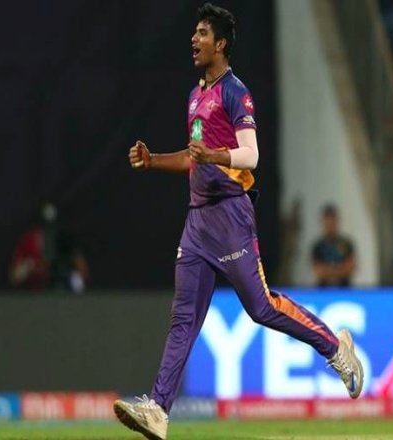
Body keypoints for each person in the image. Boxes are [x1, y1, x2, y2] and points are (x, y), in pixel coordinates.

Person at [112, 4, 364, 440]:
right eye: (194, 33)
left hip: (230, 214)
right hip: (198, 221)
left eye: (202, 33)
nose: (193, 40)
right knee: (183, 318)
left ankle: (336, 349)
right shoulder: (196, 96)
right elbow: (194, 159)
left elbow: (251, 155)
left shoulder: (235, 92)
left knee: (261, 307)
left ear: (221, 43)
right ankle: (158, 409)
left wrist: (214, 155)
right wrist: (154, 160)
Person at [311, 204, 357, 287]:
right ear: (323, 222)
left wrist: (328, 271)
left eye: (332, 221)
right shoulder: (318, 246)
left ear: (337, 221)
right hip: (323, 291)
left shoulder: (346, 244)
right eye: (327, 222)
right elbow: (318, 272)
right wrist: (340, 269)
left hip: (344, 290)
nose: (330, 225)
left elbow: (350, 268)